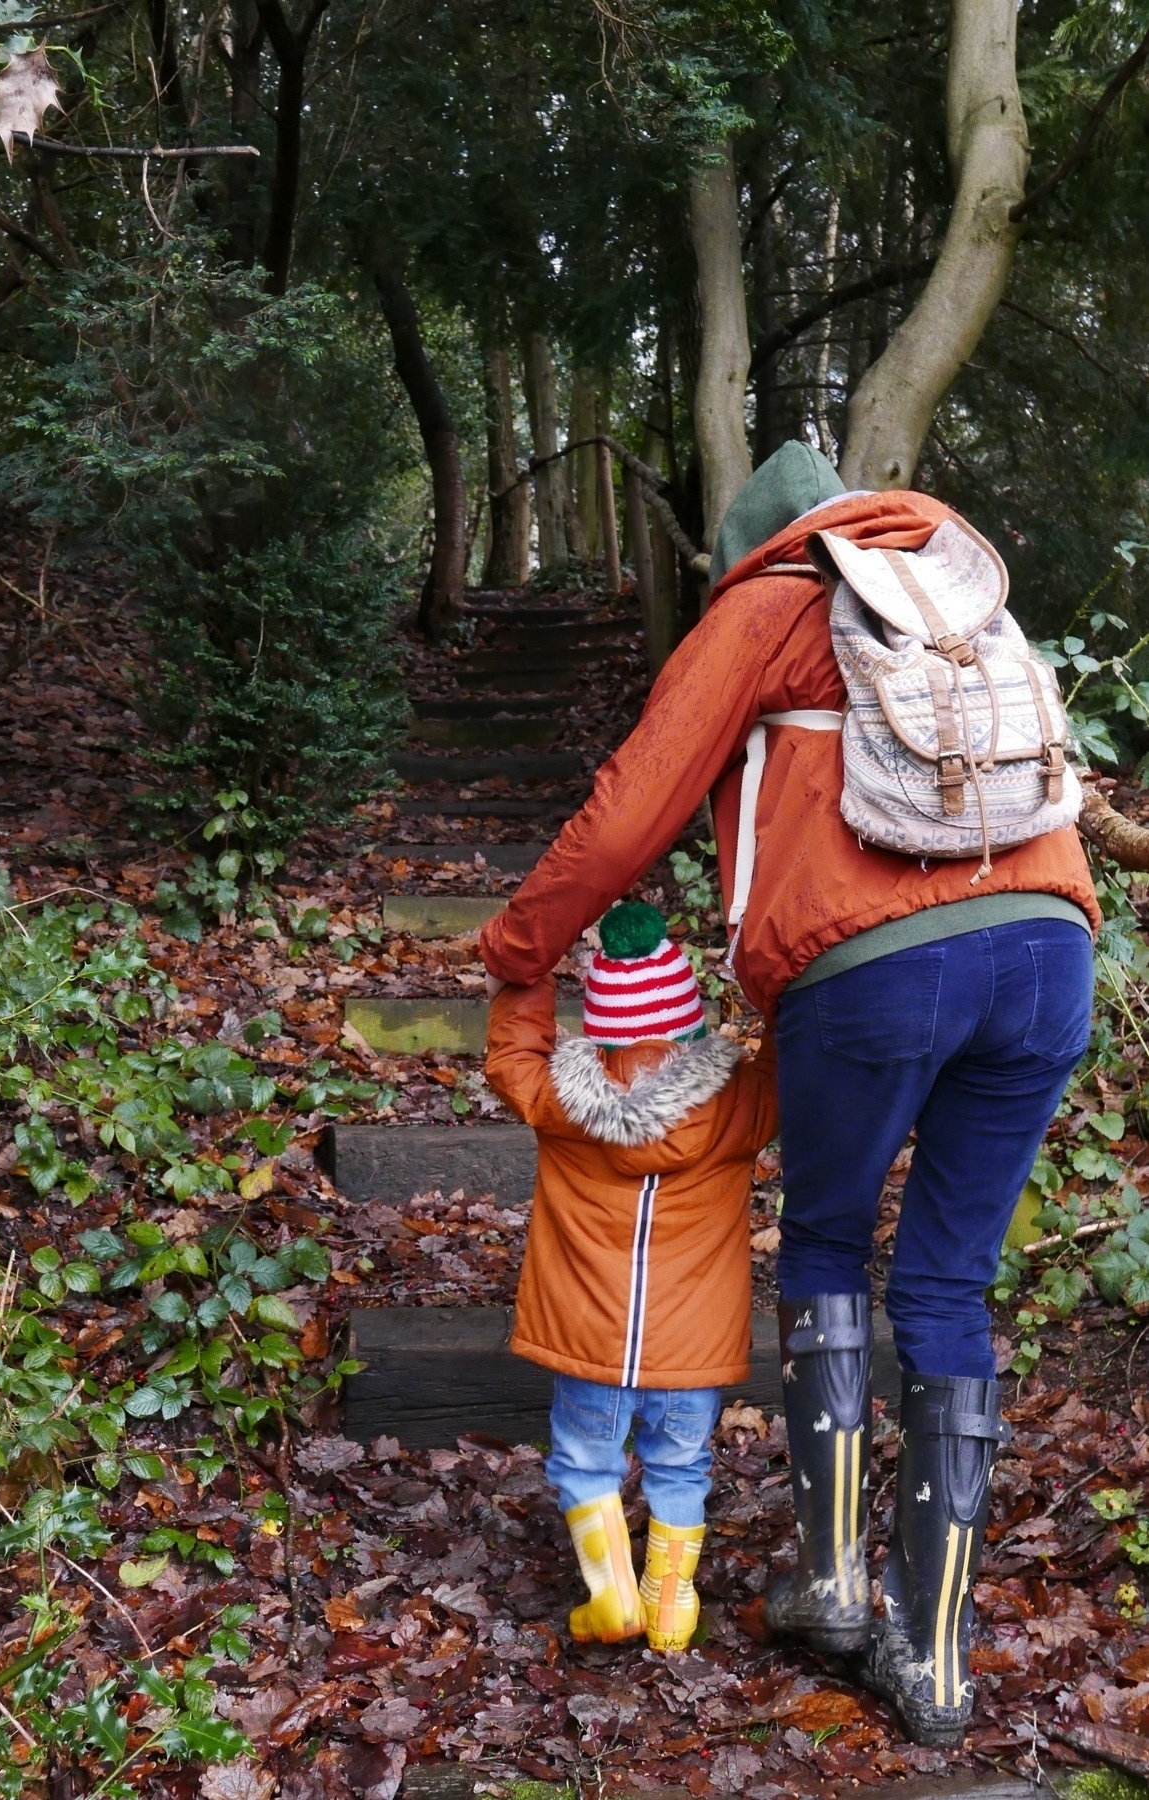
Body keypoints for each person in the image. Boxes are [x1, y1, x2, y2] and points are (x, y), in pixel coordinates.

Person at [480, 443, 1098, 1743]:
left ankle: (825, 1581)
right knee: (943, 1282)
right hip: (1049, 952)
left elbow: (628, 810)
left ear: (748, 547)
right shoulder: (959, 588)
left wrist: (517, 952)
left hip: (868, 969)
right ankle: (930, 1662)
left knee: (823, 1237)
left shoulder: (767, 602)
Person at [485, 900, 777, 1651]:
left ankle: (612, 1595)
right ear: (687, 1023)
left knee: (586, 1462)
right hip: (691, 1346)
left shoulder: (559, 1100)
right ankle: (671, 1606)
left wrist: (528, 973)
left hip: (588, 1338)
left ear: (603, 1026)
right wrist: (775, 977)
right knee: (680, 1465)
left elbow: (512, 1058)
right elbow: (791, 1056)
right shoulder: (740, 1101)